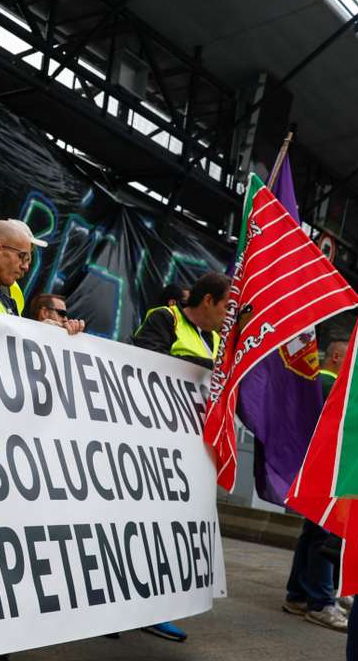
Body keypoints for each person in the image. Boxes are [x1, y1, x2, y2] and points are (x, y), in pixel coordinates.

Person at [127, 272, 231, 643]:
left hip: (188, 453)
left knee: (171, 534)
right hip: (149, 447)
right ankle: (112, 612)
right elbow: (145, 364)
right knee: (136, 528)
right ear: (207, 301)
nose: (228, 314)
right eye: (225, 305)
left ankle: (156, 611)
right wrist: (205, 374)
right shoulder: (164, 319)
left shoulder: (218, 339)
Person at [281, 340, 350, 631]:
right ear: (336, 356)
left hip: (310, 469)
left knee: (311, 533)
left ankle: (297, 595)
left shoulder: (313, 384)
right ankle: (320, 602)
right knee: (324, 533)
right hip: (326, 470)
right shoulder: (331, 386)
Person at [131, 272, 231, 370]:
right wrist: (208, 365)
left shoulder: (217, 339)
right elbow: (147, 359)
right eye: (228, 307)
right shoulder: (166, 318)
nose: (231, 316)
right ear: (208, 300)